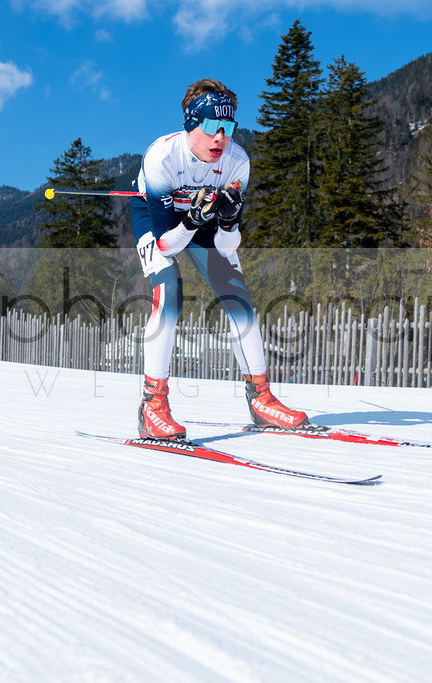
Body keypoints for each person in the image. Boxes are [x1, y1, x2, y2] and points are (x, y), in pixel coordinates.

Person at [132, 78, 309, 440]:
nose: (221, 137)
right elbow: (167, 245)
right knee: (169, 291)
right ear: (191, 124)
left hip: (204, 219)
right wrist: (191, 220)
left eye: (229, 127)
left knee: (238, 296)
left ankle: (261, 398)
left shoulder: (236, 161)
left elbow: (228, 246)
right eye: (213, 126)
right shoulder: (162, 158)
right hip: (159, 224)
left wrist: (228, 220)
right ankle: (153, 405)